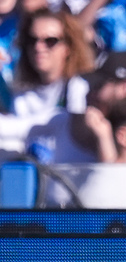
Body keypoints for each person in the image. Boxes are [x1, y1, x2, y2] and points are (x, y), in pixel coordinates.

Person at [0, 8, 94, 153]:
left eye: (50, 41)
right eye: (32, 40)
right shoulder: (21, 95)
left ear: (68, 47)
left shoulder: (79, 87)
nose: (39, 47)